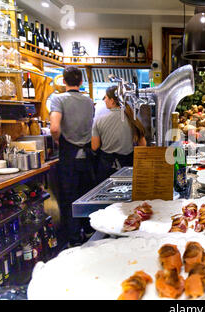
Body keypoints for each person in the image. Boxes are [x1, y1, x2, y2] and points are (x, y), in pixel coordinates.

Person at [50, 66, 96, 247]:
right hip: (87, 155)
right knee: (85, 195)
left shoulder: (58, 99)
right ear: (81, 82)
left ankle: (75, 240)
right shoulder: (88, 101)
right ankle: (90, 234)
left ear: (63, 81)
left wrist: (58, 141)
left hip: (69, 155)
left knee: (69, 198)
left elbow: (54, 128)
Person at [91, 86, 147, 184]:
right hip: (127, 167)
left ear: (112, 100)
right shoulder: (133, 118)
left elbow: (94, 146)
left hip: (106, 168)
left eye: (106, 98)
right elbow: (143, 145)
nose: (104, 100)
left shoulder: (99, 120)